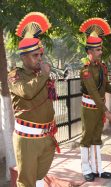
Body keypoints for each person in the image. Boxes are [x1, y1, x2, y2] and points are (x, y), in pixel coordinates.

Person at [8, 12, 58, 187]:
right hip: (27, 139)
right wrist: (43, 75)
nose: (39, 59)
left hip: (46, 136)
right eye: (34, 56)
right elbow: (27, 92)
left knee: (38, 177)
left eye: (40, 55)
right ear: (23, 57)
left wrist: (44, 76)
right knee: (27, 181)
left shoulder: (41, 75)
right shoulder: (15, 76)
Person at [79, 18, 111, 181]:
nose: (101, 52)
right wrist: (108, 113)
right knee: (87, 138)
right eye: (97, 50)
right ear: (89, 52)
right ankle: (85, 168)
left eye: (101, 49)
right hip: (90, 107)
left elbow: (103, 86)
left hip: (99, 107)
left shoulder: (101, 67)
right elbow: (94, 93)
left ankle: (97, 169)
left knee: (97, 137)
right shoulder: (85, 70)